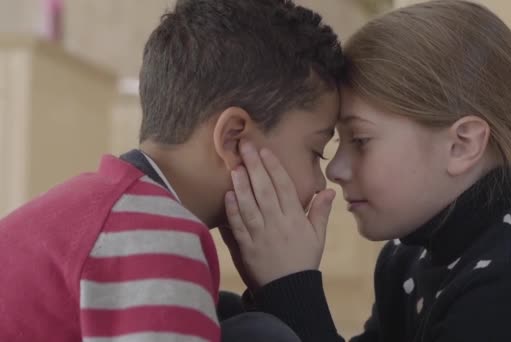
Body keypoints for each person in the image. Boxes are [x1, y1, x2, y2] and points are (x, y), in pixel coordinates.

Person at [223, 1, 511, 341]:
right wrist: (272, 288)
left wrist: (293, 288)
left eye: (359, 139)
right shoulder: (407, 260)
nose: (336, 169)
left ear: (462, 145)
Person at [0, 0, 343, 341]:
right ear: (234, 138)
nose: (318, 182)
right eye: (316, 153)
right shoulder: (155, 233)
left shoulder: (110, 208)